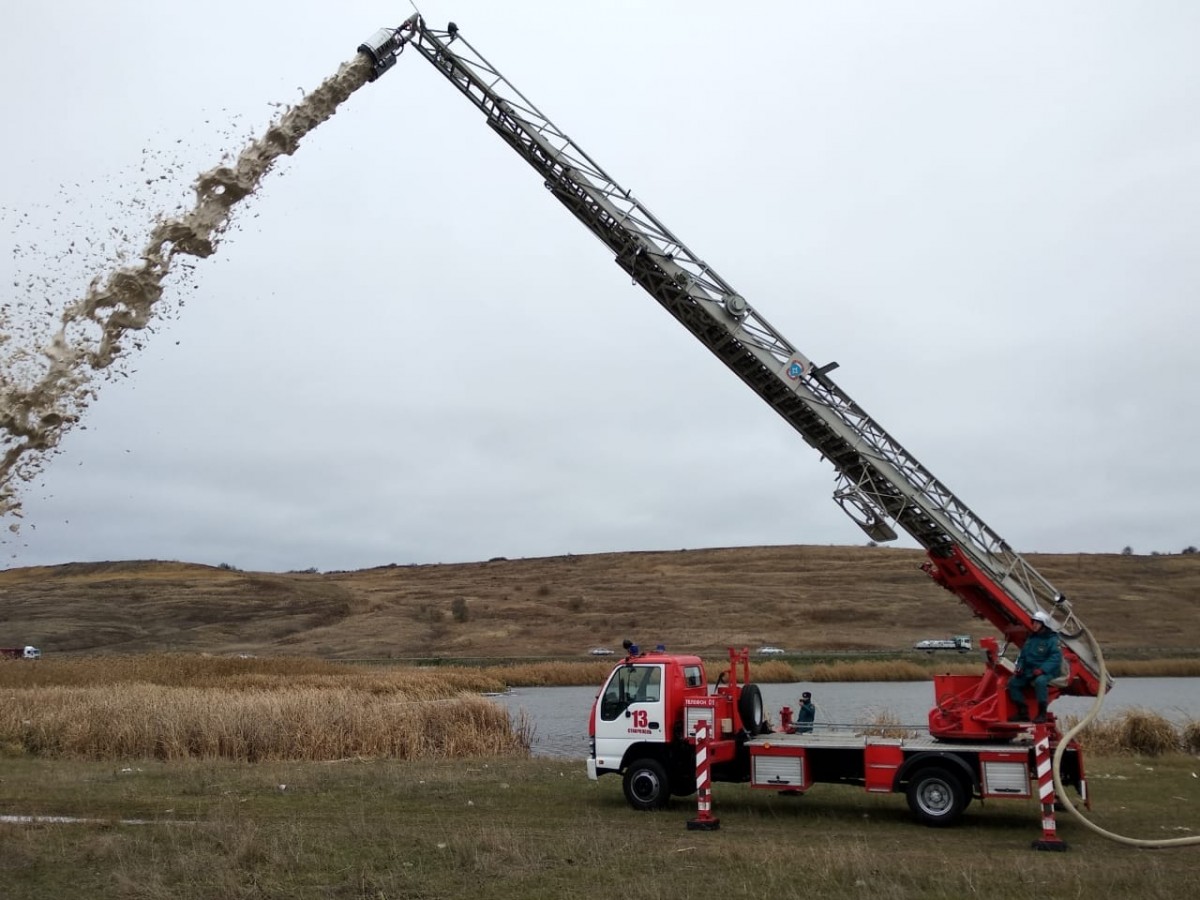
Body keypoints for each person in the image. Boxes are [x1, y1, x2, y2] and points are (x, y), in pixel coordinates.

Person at [1007, 611, 1063, 724]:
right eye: (1034, 623)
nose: (1035, 625)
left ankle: (1042, 714)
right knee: (1013, 683)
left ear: (1044, 624)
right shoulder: (1031, 639)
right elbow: (1023, 656)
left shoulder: (1052, 640)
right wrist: (1019, 667)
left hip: (1047, 672)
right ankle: (1023, 713)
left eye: (1038, 623)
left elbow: (1055, 658)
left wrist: (1042, 669)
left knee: (1040, 682)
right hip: (1029, 671)